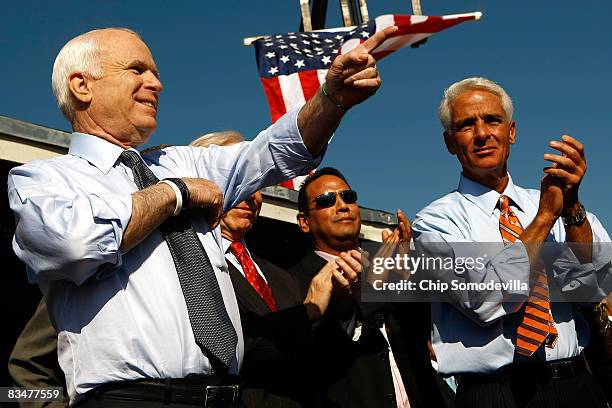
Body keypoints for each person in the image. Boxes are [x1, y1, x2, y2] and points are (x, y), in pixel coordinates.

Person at [7, 25, 396, 406]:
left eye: (156, 74)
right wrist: (175, 193)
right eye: (137, 70)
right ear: (82, 85)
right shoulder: (42, 180)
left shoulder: (180, 160)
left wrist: (330, 99)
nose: (156, 84)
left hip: (227, 395)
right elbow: (73, 243)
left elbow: (272, 152)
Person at [411, 77, 611, 407]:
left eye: (492, 120)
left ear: (512, 132)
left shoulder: (554, 201)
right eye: (466, 125)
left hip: (575, 384)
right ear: (449, 142)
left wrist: (573, 208)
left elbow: (594, 286)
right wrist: (546, 217)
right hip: (496, 392)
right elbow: (487, 298)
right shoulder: (435, 222)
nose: (481, 134)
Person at [289, 167, 447, 408]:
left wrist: (407, 273)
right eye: (326, 201)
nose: (342, 206)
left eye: (348, 197)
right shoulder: (295, 282)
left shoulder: (388, 263)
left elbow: (426, 335)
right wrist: (372, 283)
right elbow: (323, 356)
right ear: (304, 222)